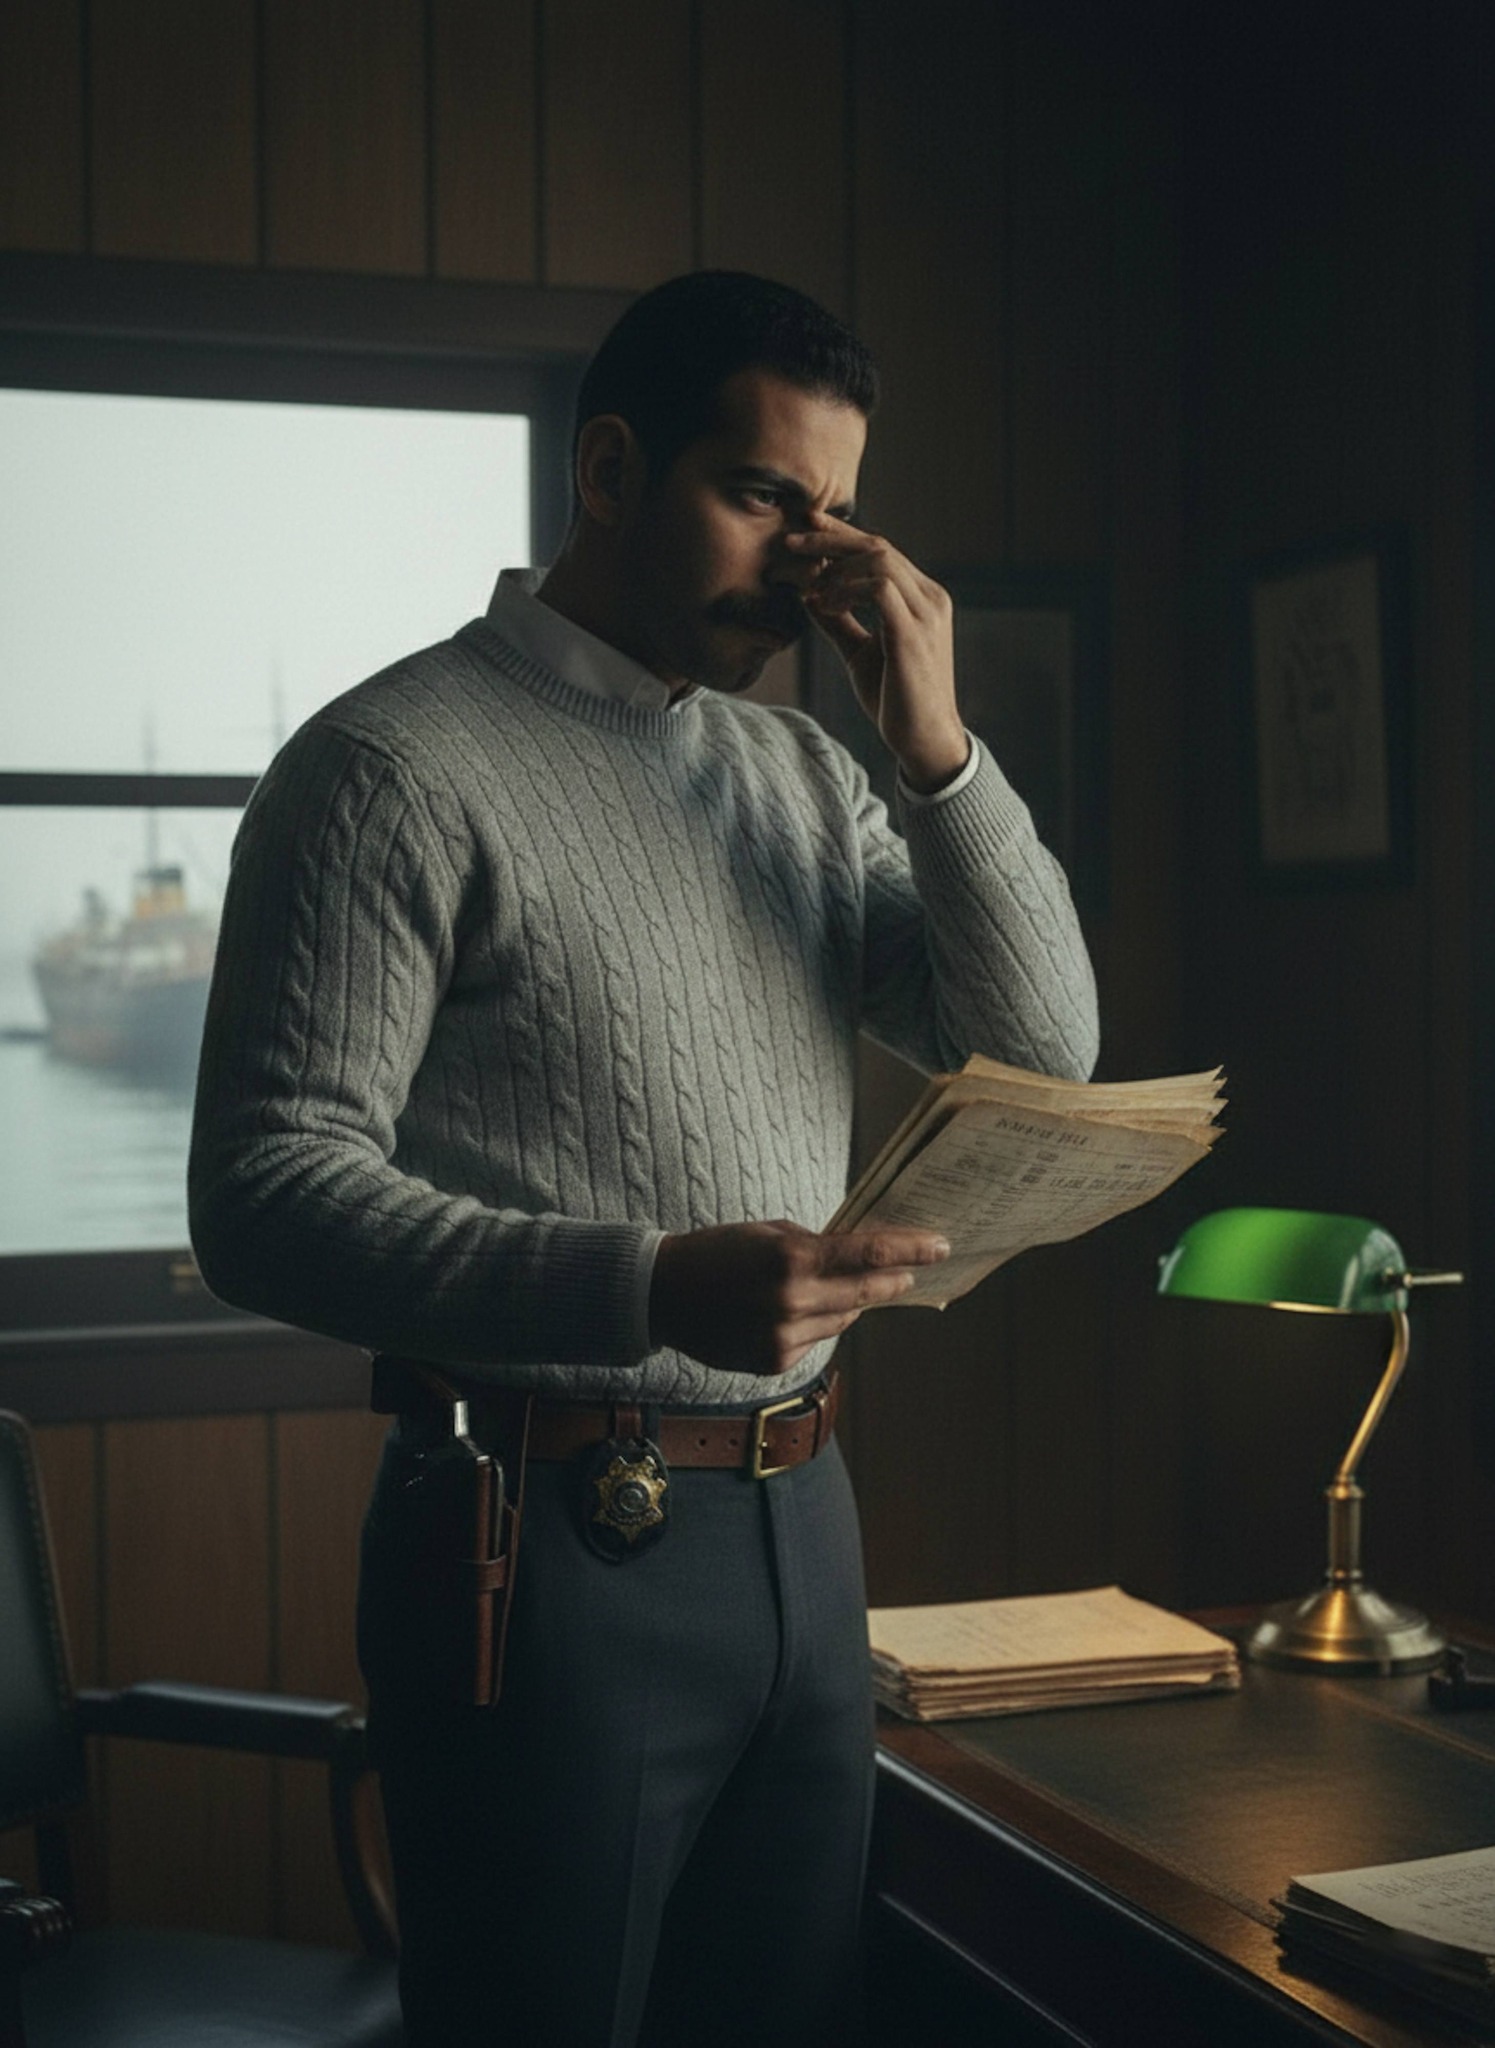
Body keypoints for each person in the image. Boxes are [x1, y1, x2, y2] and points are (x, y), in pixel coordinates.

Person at [189, 270, 1099, 2048]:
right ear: (609, 468)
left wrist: (938, 752)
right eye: (763, 498)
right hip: (535, 1546)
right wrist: (647, 1279)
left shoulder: (811, 778)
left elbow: (1043, 1052)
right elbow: (264, 1194)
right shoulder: (385, 768)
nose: (808, 559)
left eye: (835, 512)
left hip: (807, 1521)